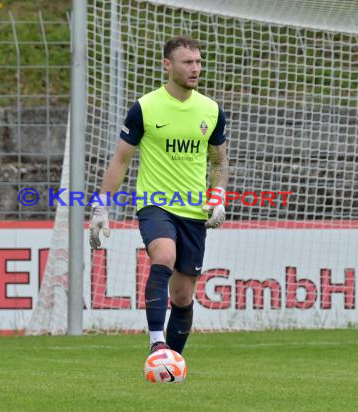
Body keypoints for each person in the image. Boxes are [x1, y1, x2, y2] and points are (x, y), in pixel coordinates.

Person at [89, 35, 229, 355]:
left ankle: (171, 363)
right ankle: (156, 345)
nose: (196, 69)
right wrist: (101, 206)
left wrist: (218, 195)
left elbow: (220, 161)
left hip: (193, 212)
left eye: (198, 62)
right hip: (155, 205)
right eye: (187, 62)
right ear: (168, 65)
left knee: (182, 296)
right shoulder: (145, 107)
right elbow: (121, 160)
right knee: (163, 255)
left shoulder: (210, 110)